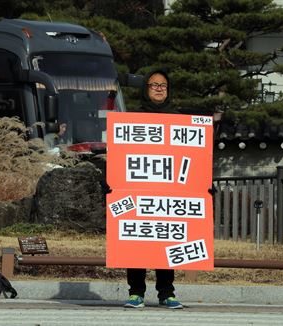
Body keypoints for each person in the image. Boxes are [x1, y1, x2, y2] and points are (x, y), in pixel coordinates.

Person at [123, 69, 183, 309]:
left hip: (169, 190)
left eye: (163, 85)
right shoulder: (133, 118)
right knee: (137, 239)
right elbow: (123, 154)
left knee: (166, 239)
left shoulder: (179, 120)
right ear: (145, 89)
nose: (159, 88)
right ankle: (136, 292)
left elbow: (190, 157)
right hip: (139, 187)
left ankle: (166, 292)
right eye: (154, 84)